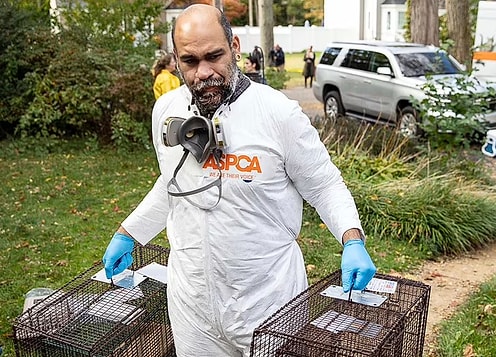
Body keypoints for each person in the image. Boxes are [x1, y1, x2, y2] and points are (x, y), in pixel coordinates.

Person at [101, 4, 376, 357]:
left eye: (214, 56)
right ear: (176, 59)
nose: (204, 73)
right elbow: (173, 184)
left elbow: (324, 185)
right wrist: (128, 233)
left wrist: (352, 240)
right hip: (192, 305)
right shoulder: (166, 111)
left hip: (268, 303)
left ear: (235, 48)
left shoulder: (277, 113)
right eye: (189, 61)